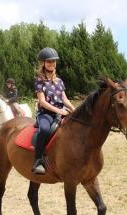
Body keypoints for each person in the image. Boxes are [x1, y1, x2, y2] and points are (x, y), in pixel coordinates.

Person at [32, 47, 75, 175]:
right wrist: (59, 111)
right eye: (49, 61)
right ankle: (38, 160)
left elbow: (65, 99)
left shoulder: (59, 81)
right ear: (43, 63)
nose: (52, 64)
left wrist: (74, 110)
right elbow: (42, 102)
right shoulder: (40, 81)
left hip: (61, 112)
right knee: (44, 129)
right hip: (45, 114)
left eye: (54, 61)